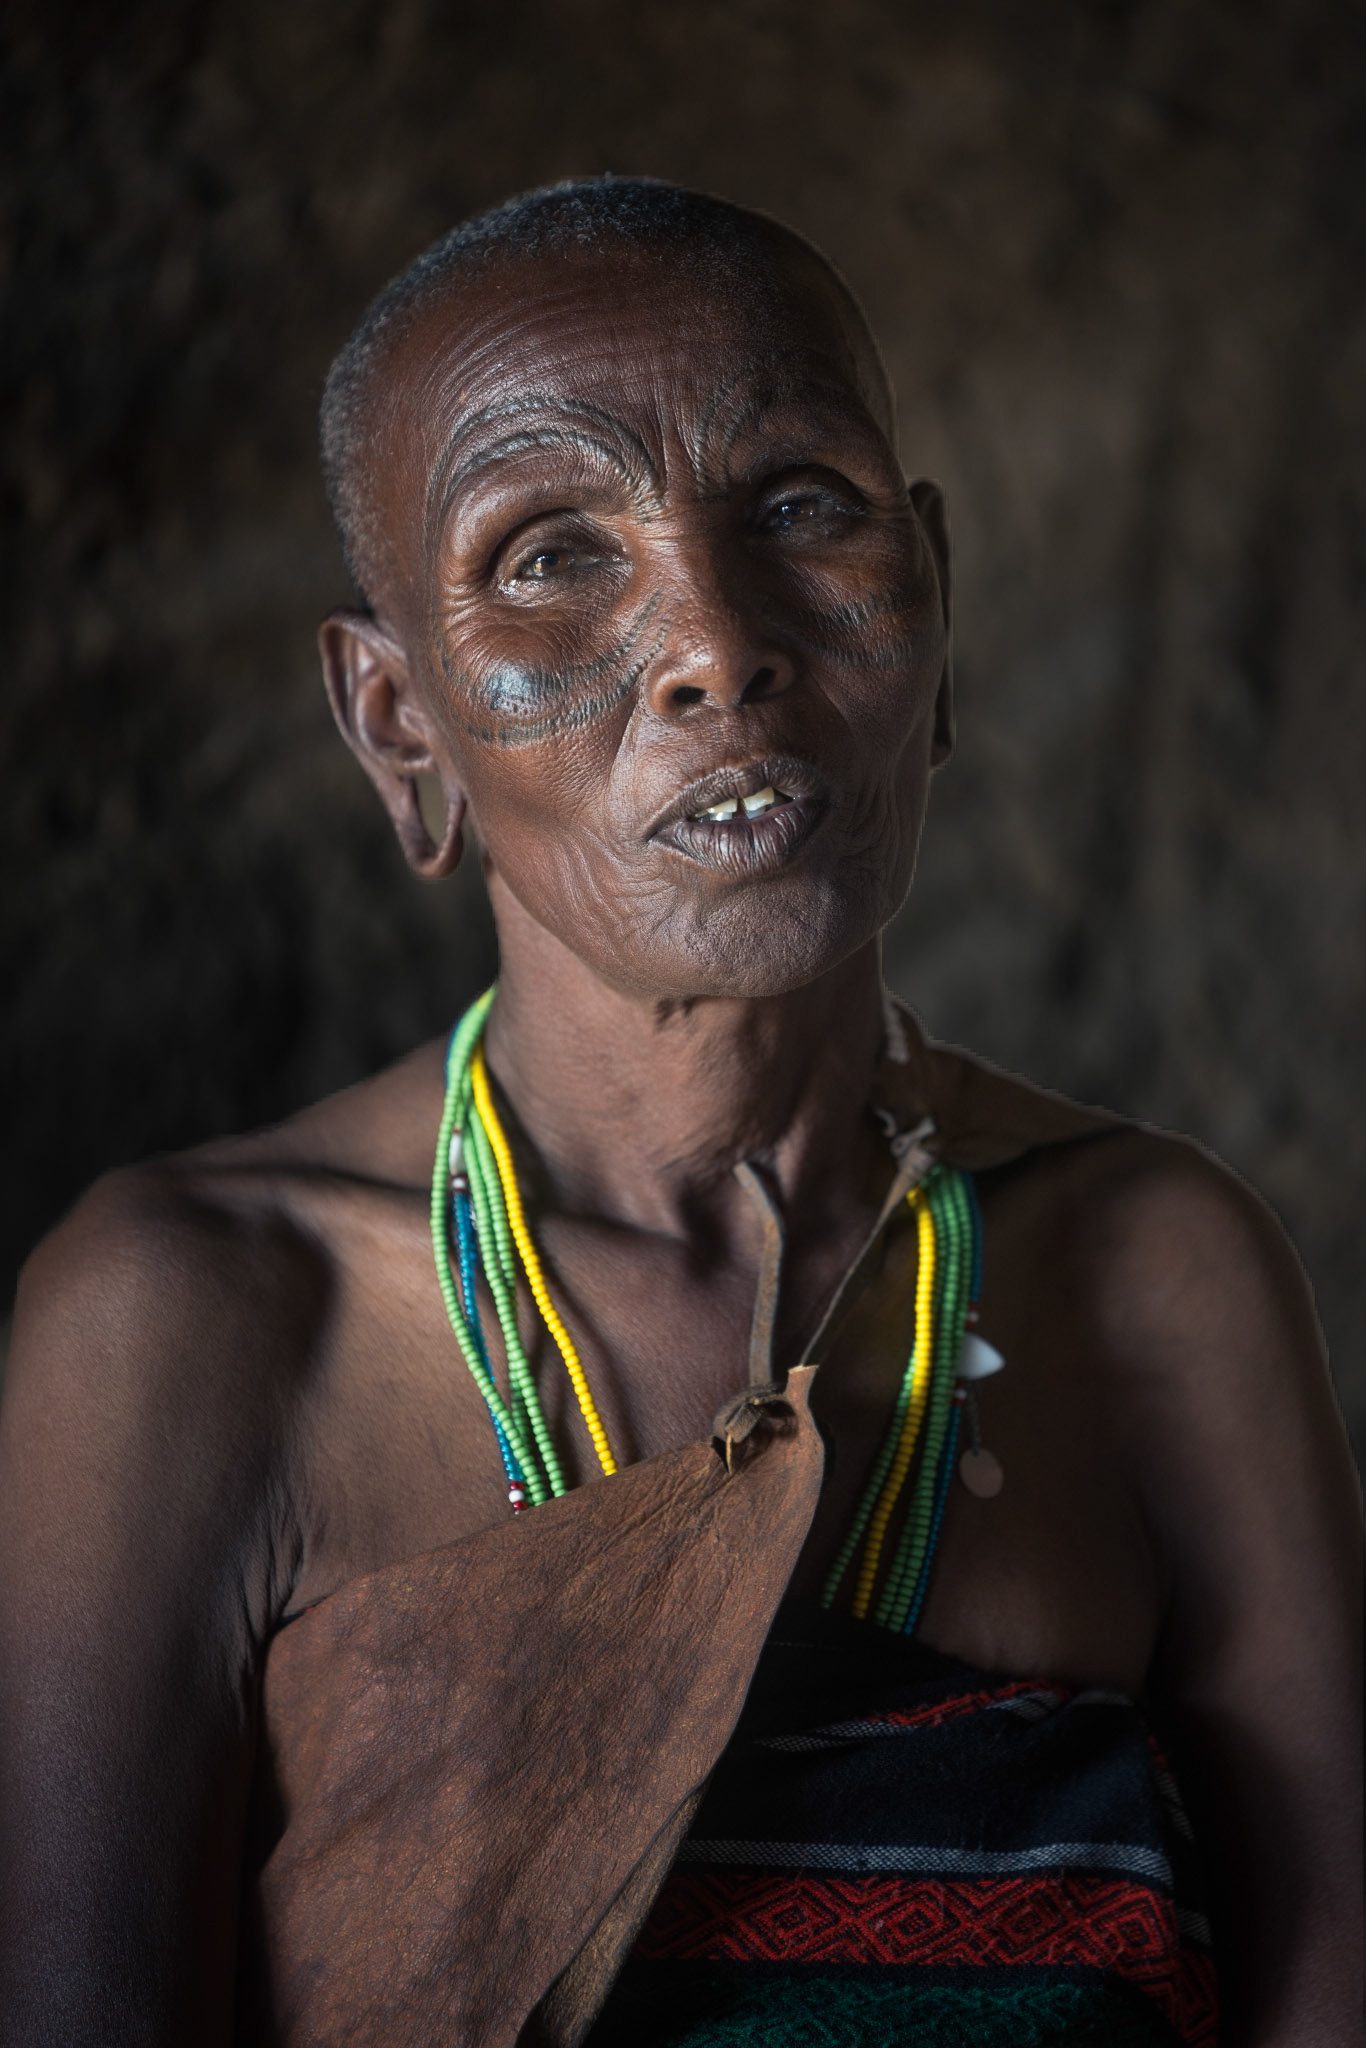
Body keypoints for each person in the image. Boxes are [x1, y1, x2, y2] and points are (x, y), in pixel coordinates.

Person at [0, 178, 1359, 2048]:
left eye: (801, 507)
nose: (718, 639)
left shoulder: (1152, 1267)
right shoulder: (199, 1317)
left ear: (935, 611)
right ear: (400, 726)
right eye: (550, 552)